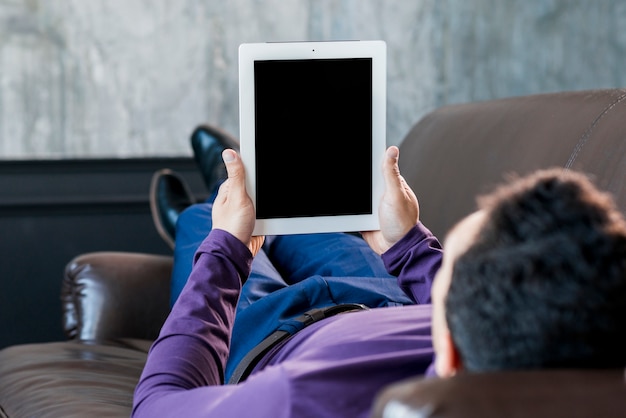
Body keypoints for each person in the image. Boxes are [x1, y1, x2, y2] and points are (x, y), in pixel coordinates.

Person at [133, 128, 626, 417]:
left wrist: (226, 251)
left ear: (449, 351)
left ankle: (204, 206)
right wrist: (406, 243)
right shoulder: (526, 340)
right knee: (283, 209)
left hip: (270, 340)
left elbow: (157, 405)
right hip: (378, 293)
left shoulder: (297, 399)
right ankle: (239, 178)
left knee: (212, 223)